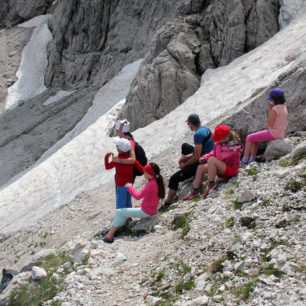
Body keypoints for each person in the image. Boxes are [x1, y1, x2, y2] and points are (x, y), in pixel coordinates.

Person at [158, 114, 214, 212]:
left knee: (174, 178)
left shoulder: (197, 135)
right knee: (185, 146)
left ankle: (168, 202)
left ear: (191, 124)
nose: (189, 126)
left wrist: (185, 164)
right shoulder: (204, 129)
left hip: (203, 161)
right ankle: (185, 169)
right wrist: (185, 157)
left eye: (188, 124)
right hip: (208, 155)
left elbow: (197, 157)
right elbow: (198, 151)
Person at [102, 162, 165, 243]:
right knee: (124, 212)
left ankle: (109, 236)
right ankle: (117, 229)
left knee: (120, 212)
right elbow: (152, 198)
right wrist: (141, 204)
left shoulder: (151, 184)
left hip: (146, 212)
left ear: (150, 174)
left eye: (145, 172)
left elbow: (137, 196)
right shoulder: (156, 181)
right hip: (150, 210)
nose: (144, 174)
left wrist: (130, 187)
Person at [183, 125, 243, 199]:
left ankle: (212, 185)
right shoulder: (220, 144)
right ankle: (195, 191)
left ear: (227, 137)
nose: (218, 141)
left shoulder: (233, 147)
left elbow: (220, 157)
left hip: (231, 169)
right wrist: (205, 157)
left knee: (212, 159)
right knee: (200, 167)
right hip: (222, 168)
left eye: (220, 139)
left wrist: (216, 150)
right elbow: (213, 152)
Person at [241, 88, 288, 165]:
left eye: (271, 100)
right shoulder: (284, 107)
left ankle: (244, 160)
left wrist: (270, 110)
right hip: (281, 133)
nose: (271, 102)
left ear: (274, 99)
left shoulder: (275, 108)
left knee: (249, 137)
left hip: (273, 133)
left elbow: (269, 123)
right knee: (254, 139)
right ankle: (252, 160)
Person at [105, 137, 142, 209]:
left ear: (121, 149)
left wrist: (106, 157)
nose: (116, 147)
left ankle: (122, 219)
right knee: (128, 203)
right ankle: (128, 219)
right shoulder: (131, 159)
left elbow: (107, 167)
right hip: (130, 184)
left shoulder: (117, 159)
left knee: (120, 206)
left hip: (121, 185)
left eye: (117, 146)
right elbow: (141, 169)